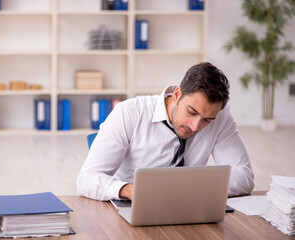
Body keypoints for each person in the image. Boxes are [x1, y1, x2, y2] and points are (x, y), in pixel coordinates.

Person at [77, 62, 254, 201]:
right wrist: (130, 190)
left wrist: (187, 188)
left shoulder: (221, 117)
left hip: (190, 210)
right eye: (191, 112)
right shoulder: (129, 113)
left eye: (207, 120)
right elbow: (86, 179)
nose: (195, 126)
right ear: (177, 94)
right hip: (133, 207)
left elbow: (244, 176)